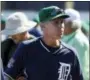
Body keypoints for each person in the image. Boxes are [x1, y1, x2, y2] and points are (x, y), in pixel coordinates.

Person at [5, 6, 83, 80]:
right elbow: (8, 76)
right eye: (56, 22)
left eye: (62, 22)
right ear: (42, 26)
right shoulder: (26, 48)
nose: (61, 26)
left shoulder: (71, 53)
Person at [1, 12, 36, 80]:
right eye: (10, 33)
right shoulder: (6, 45)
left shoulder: (38, 45)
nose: (12, 36)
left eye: (14, 32)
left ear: (24, 31)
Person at [61, 9, 89, 80]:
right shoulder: (66, 37)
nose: (61, 25)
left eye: (63, 22)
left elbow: (81, 70)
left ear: (72, 24)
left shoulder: (78, 41)